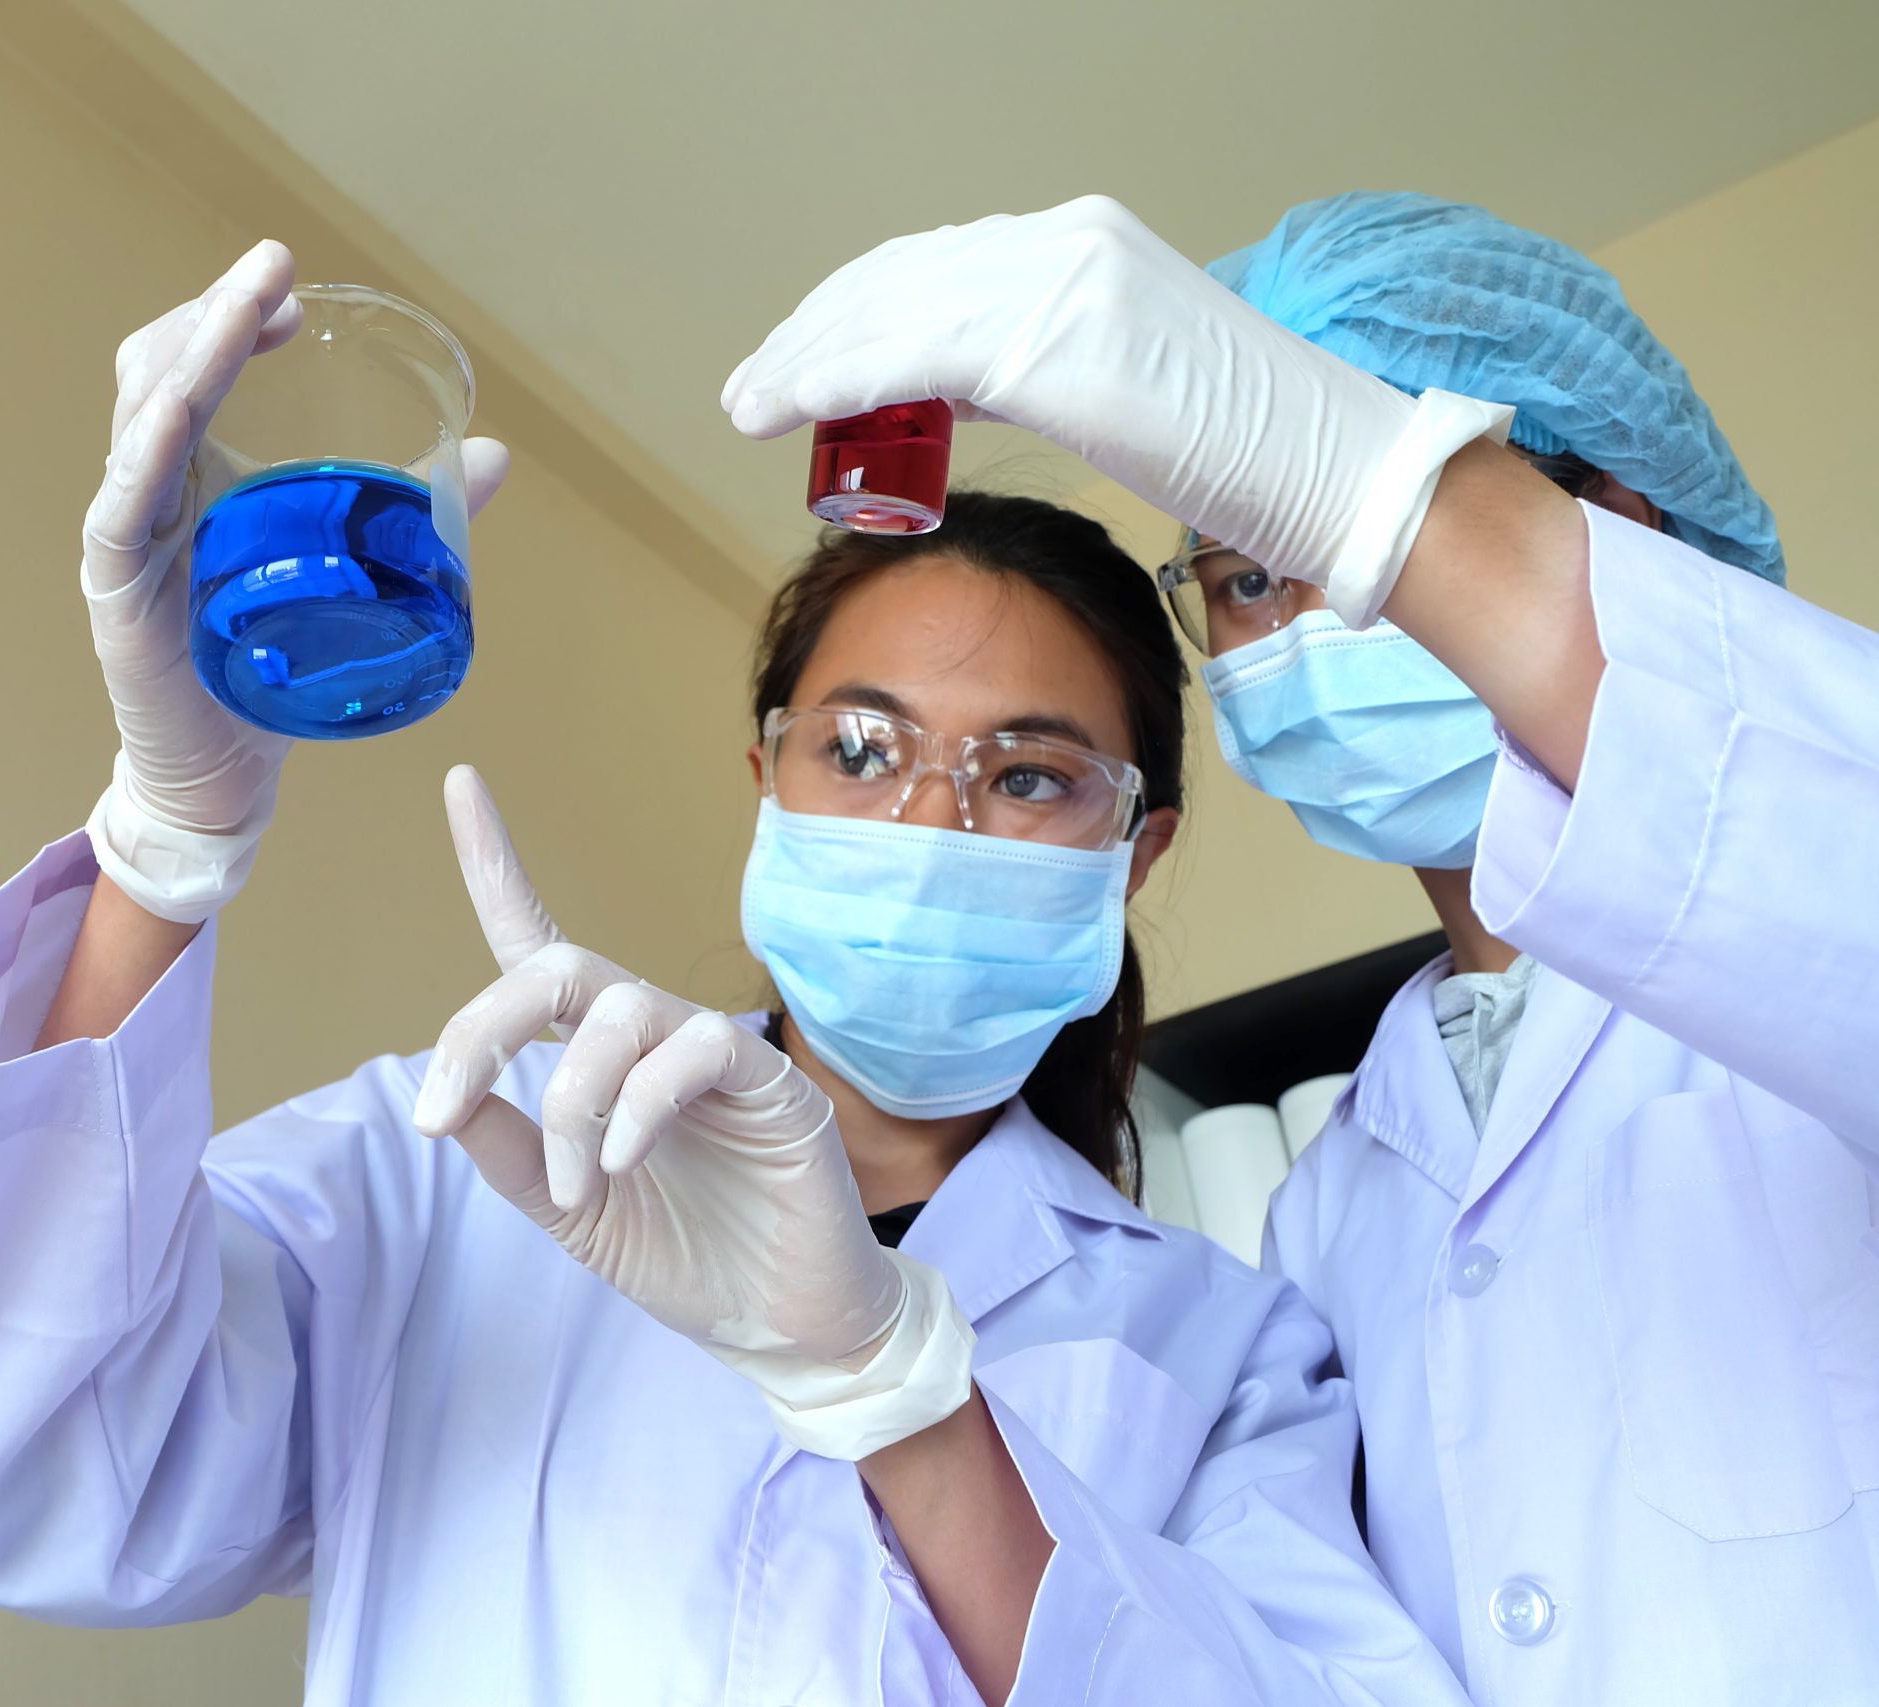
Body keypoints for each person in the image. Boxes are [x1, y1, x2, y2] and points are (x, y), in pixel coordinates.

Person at [0, 239, 1474, 1705]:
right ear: (767, 782)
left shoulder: (1219, 1342)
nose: (929, 819)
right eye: (860, 746)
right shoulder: (465, 1165)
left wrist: (894, 1391)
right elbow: (22, 1460)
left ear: (1141, 850)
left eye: (1032, 776)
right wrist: (163, 850)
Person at [725, 191, 1879, 1706]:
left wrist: (1393, 500)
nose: (1312, 604)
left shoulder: (1801, 912)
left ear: (1626, 517)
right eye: (1249, 574)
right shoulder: (1334, 1214)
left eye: (1342, 531)